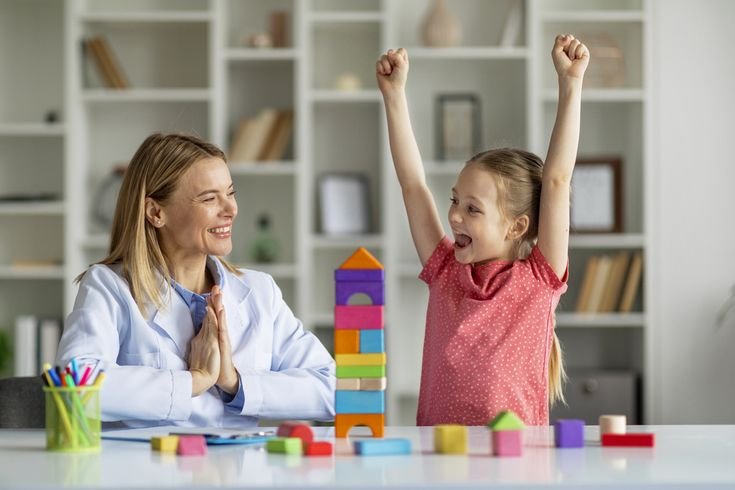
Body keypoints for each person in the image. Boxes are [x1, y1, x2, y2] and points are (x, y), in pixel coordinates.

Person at [376, 35, 589, 426]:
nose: (455, 216)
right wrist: (394, 96)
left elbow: (557, 179)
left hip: (517, 459)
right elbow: (413, 185)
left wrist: (570, 84)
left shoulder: (539, 279)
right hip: (440, 456)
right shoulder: (445, 271)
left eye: (473, 209)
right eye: (455, 201)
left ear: (517, 226)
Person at [56, 133, 335, 428]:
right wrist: (193, 382)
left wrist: (235, 383)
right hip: (147, 469)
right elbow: (74, 389)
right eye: (209, 198)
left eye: (230, 193)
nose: (230, 210)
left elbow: (332, 389)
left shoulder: (259, 291)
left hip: (241, 470)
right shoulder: (109, 287)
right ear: (156, 212)